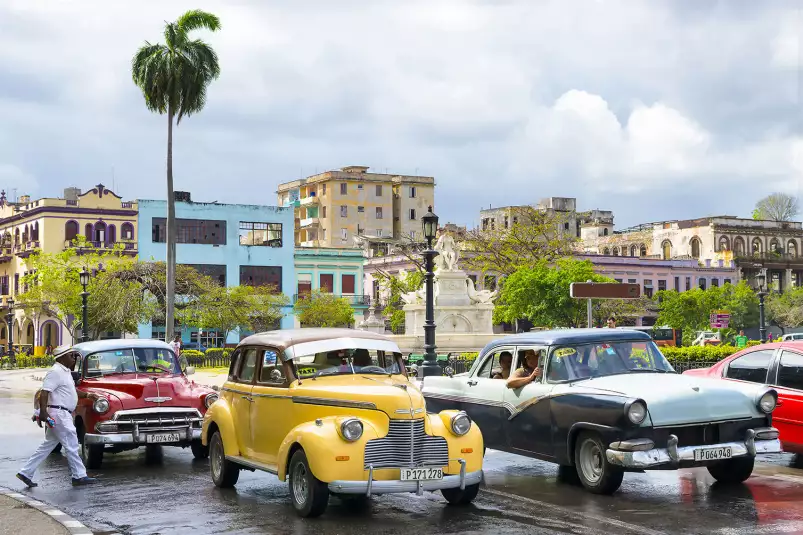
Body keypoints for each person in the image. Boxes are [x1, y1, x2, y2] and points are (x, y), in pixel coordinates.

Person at [17, 349, 100, 487]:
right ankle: (79, 476)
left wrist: (87, 395)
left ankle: (25, 472)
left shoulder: (65, 372)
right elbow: (44, 392)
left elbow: (71, 391)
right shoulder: (55, 372)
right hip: (59, 414)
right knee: (72, 444)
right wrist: (43, 412)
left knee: (47, 445)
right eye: (70, 355)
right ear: (61, 357)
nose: (73, 357)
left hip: (62, 413)